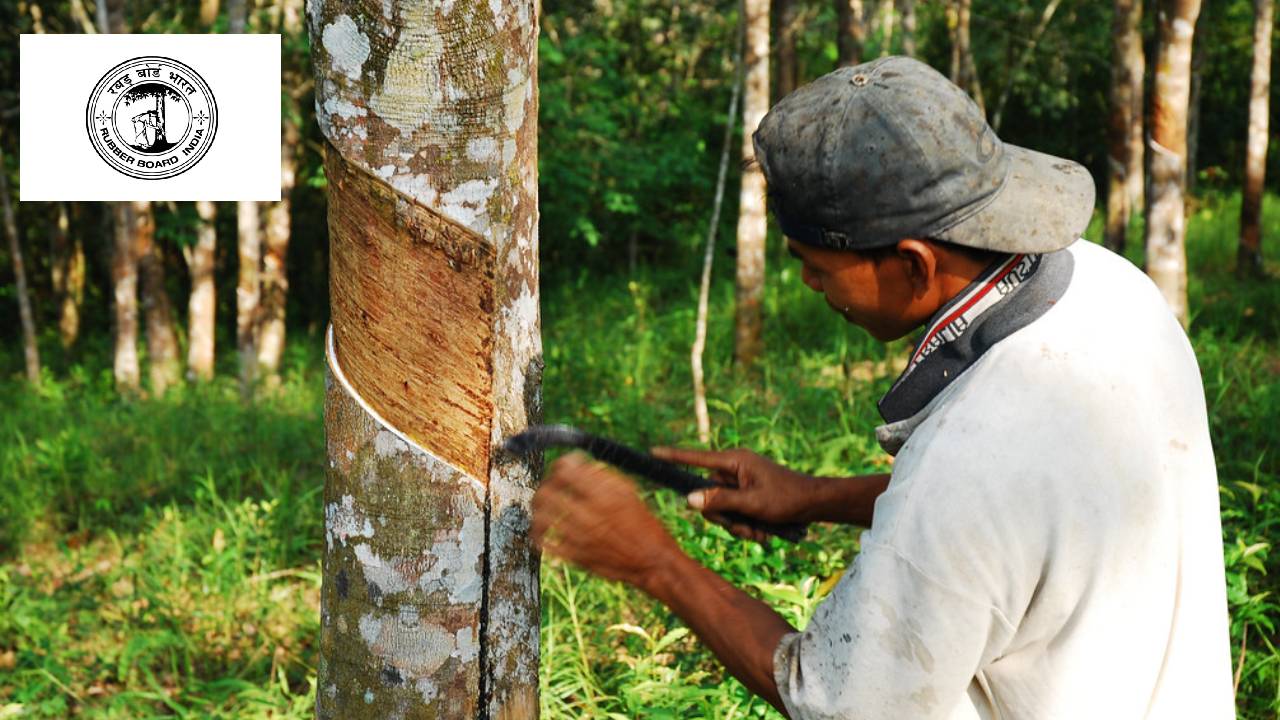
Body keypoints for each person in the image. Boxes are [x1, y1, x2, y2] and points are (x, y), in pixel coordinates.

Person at [531, 56, 1234, 719]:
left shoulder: (972, 458)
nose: (807, 285)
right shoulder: (1108, 287)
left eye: (815, 265)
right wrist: (817, 495)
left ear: (915, 265)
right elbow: (1019, 516)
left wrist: (653, 562)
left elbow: (835, 698)